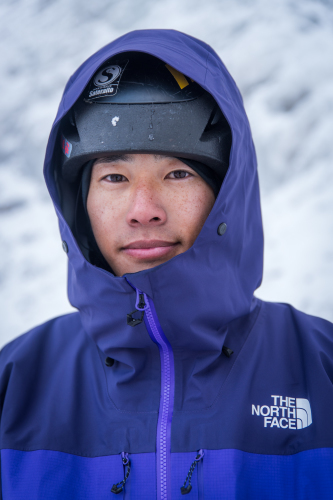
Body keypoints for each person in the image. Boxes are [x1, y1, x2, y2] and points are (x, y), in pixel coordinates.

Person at [0, 29, 333, 500]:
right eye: (115, 176)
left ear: (226, 196)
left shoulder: (320, 370)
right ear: (80, 204)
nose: (143, 208)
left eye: (177, 173)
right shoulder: (15, 387)